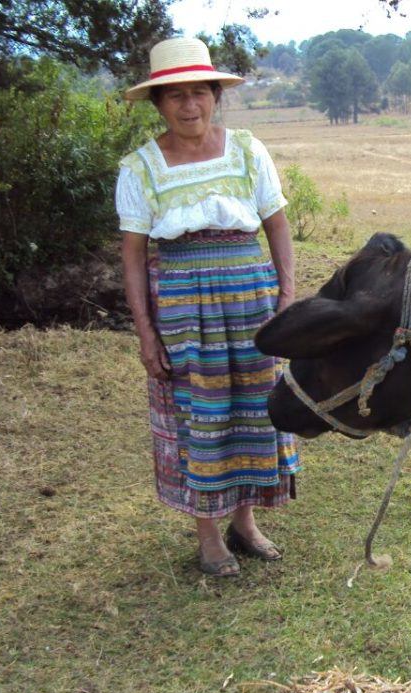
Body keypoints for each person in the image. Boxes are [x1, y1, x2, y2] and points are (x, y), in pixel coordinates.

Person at [116, 37, 300, 578]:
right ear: (158, 103)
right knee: (199, 416)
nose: (189, 106)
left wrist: (286, 299)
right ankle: (207, 535)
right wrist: (146, 334)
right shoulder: (140, 168)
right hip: (182, 307)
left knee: (252, 408)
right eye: (175, 96)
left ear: (216, 96)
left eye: (200, 92)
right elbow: (131, 257)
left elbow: (277, 225)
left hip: (251, 300)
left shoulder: (247, 150)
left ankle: (244, 523)